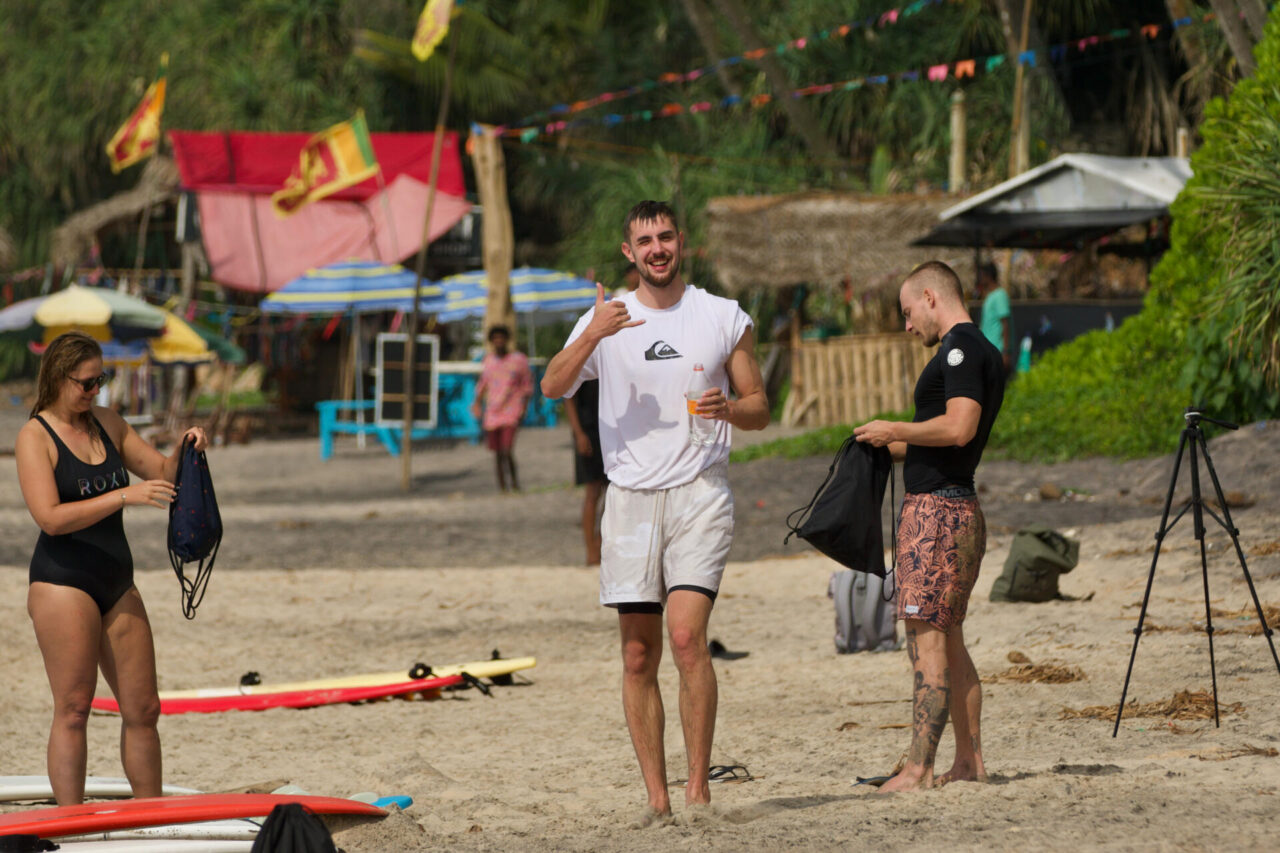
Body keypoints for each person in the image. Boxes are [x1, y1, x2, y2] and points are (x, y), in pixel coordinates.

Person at [541, 200, 769, 825]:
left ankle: (697, 792)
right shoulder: (607, 317)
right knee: (638, 657)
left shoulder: (721, 316)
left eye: (666, 236)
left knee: (687, 637)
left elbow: (760, 407)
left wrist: (730, 410)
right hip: (632, 500)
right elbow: (552, 385)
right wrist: (591, 333)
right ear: (629, 253)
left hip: (700, 491)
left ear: (681, 241)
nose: (657, 248)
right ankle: (657, 799)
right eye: (645, 241)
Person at [14, 331, 209, 805]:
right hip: (63, 581)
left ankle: (149, 818)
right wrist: (124, 495)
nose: (95, 390)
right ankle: (68, 821)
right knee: (75, 708)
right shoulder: (34, 437)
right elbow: (51, 518)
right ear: (59, 379)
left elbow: (161, 473)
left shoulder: (107, 422)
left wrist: (187, 447)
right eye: (86, 382)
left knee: (144, 708)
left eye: (101, 379)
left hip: (117, 580)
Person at [853, 260, 1005, 792]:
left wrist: (896, 425)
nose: (907, 324)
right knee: (951, 639)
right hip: (959, 506)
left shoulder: (959, 349)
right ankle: (969, 762)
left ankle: (917, 770)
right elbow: (938, 439)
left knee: (926, 641)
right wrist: (881, 445)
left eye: (907, 311)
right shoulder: (983, 350)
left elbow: (959, 427)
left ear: (929, 296)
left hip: (936, 517)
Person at [472, 325, 533, 492]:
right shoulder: (489, 361)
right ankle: (502, 486)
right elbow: (482, 384)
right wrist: (477, 403)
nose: (499, 341)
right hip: (492, 412)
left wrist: (524, 408)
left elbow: (527, 385)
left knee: (507, 449)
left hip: (512, 410)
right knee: (497, 452)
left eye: (501, 338)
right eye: (495, 338)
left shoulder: (519, 360)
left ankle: (514, 483)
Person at [976, 261, 1013, 375]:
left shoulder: (1000, 295)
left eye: (981, 275)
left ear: (988, 276)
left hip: (997, 351)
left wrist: (1005, 352)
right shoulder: (989, 296)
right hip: (987, 351)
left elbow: (1005, 324)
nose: (980, 279)